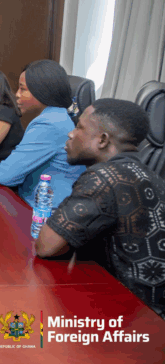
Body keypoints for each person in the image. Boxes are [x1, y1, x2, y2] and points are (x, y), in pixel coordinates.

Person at [36, 99, 165, 319]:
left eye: (79, 127)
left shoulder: (104, 177)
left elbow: (46, 246)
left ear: (103, 140)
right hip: (148, 313)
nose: (70, 134)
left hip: (127, 316)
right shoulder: (149, 174)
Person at [0, 60, 86, 205]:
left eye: (22, 89)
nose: (17, 94)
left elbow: (5, 176)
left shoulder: (49, 123)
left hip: (44, 209)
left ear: (42, 91)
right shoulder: (58, 115)